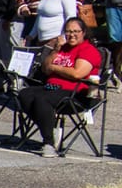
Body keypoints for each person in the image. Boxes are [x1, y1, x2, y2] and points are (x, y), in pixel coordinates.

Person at [16, 17, 102, 157]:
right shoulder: (63, 48)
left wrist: (55, 67)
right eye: (68, 31)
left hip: (75, 93)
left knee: (42, 99)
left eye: (75, 31)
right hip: (52, 87)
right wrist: (56, 50)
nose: (71, 35)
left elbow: (77, 74)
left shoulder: (88, 50)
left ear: (83, 32)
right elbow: (45, 69)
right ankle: (50, 127)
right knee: (24, 94)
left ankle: (48, 143)